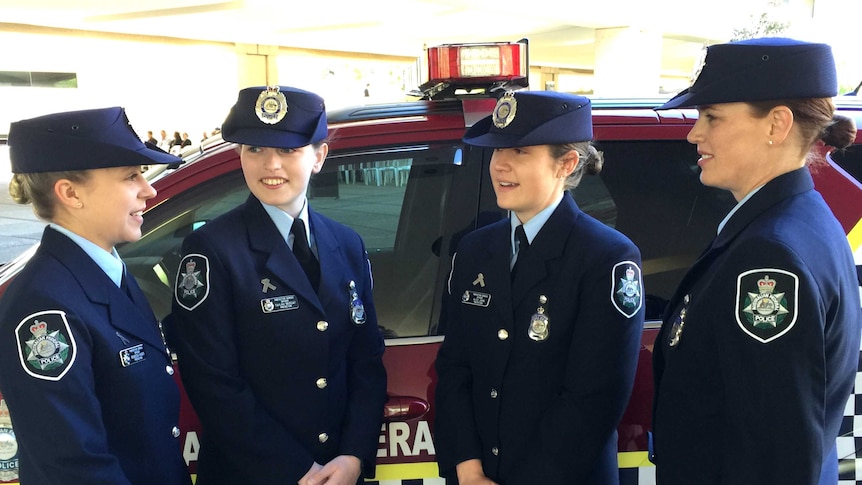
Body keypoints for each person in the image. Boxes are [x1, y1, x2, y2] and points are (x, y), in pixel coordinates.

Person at [651, 37, 862, 485]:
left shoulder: (770, 256)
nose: (694, 133)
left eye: (712, 117)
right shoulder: (795, 220)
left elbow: (775, 453)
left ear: (777, 124)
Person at [169, 85, 387, 484]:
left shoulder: (347, 243)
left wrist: (353, 455)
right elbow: (214, 383)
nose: (270, 165)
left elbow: (366, 362)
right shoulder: (212, 250)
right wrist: (297, 470)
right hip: (255, 473)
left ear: (319, 156)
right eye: (255, 149)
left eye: (288, 151)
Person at [434, 90, 645, 484]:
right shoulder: (476, 249)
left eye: (520, 152)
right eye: (497, 151)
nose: (500, 165)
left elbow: (592, 399)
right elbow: (455, 367)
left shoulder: (606, 257)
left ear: (566, 163)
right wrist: (468, 468)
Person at [0, 107, 191, 485]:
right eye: (130, 176)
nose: (148, 189)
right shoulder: (44, 307)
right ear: (70, 193)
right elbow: (74, 465)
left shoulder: (106, 271)